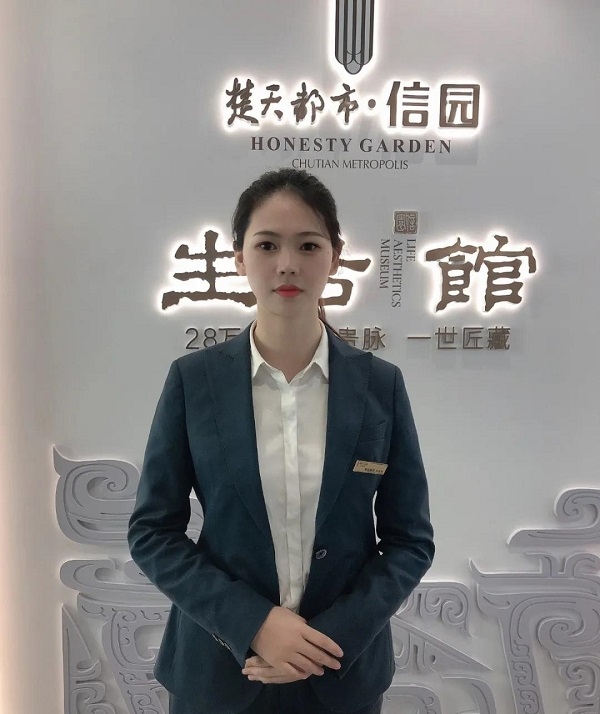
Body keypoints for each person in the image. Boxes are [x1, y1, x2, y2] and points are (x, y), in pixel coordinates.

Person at [127, 168, 434, 714]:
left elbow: (410, 541)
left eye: (308, 245)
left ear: (334, 257)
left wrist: (327, 640)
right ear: (239, 259)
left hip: (339, 676)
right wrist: (255, 624)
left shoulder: (380, 385)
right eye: (267, 245)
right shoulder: (194, 381)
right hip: (218, 674)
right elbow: (153, 532)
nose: (287, 263)